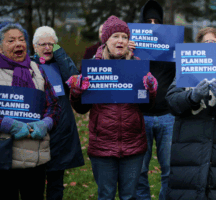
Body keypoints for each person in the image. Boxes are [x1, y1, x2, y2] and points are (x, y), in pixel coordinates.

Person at [68, 15, 158, 200]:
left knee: (129, 196)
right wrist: (77, 92)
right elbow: (81, 109)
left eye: (124, 37)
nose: (121, 41)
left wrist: (151, 89)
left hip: (133, 145)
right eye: (116, 36)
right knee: (106, 195)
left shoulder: (137, 66)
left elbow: (147, 105)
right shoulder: (93, 67)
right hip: (103, 145)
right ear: (106, 40)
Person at [0, 22, 61, 200]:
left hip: (35, 154)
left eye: (21, 39)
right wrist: (8, 124)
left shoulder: (37, 70)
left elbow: (54, 105)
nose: (18, 44)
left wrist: (46, 123)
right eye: (11, 40)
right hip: (2, 154)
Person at [165, 27, 216, 200]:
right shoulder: (186, 66)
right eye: (208, 42)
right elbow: (172, 102)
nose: (212, 46)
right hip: (188, 146)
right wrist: (192, 96)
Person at [32, 26, 84, 200]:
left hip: (60, 132)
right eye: (43, 44)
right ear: (34, 47)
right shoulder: (28, 67)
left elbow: (75, 80)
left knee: (56, 185)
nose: (47, 47)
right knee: (35, 184)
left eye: (51, 44)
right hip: (36, 132)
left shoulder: (61, 65)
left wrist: (59, 53)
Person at [135, 1, 176, 200]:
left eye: (156, 21)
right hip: (141, 115)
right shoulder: (132, 49)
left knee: (169, 168)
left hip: (168, 115)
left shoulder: (172, 47)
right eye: (148, 21)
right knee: (140, 168)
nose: (152, 24)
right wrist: (129, 53)